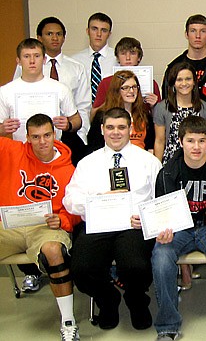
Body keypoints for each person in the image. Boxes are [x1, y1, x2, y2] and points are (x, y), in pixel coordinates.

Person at [64, 108, 161, 331]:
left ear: (130, 129)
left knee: (136, 266)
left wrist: (146, 217)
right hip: (98, 225)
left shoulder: (148, 161)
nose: (115, 133)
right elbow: (70, 199)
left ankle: (136, 301)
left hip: (133, 226)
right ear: (102, 130)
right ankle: (108, 300)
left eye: (121, 127)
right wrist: (95, 201)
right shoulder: (88, 163)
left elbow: (161, 198)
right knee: (81, 269)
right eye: (110, 127)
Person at [152, 115, 206, 341]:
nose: (196, 147)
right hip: (180, 229)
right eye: (190, 141)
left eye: (201, 141)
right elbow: (161, 211)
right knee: (161, 256)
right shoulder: (168, 172)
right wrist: (163, 230)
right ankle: (168, 326)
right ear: (180, 142)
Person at [0, 114, 81, 341]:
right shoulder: (12, 151)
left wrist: (62, 221)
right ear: (27, 137)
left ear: (54, 135)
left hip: (45, 227)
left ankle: (68, 322)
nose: (42, 142)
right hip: (8, 226)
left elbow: (76, 210)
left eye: (47, 135)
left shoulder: (69, 170)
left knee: (54, 251)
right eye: (35, 137)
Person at [13, 16, 91, 166]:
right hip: (30, 138)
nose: (55, 38)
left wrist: (81, 134)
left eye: (59, 34)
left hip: (67, 135)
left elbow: (83, 106)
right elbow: (18, 91)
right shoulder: (28, 65)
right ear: (39, 38)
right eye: (49, 34)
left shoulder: (76, 67)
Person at [0, 38, 82, 143]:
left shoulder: (60, 88)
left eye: (37, 56)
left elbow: (76, 120)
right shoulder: (5, 91)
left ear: (44, 59)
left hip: (54, 151)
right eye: (26, 56)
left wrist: (68, 125)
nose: (32, 61)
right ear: (19, 61)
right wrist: (3, 129)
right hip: (21, 151)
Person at [162, 14, 206, 105]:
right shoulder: (174, 67)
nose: (198, 36)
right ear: (186, 34)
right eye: (193, 31)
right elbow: (167, 100)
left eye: (203, 31)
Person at [154, 62, 206, 164]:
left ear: (194, 82)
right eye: (179, 80)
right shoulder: (162, 108)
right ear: (173, 83)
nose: (184, 83)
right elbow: (160, 141)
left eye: (188, 79)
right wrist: (157, 166)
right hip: (170, 163)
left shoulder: (204, 107)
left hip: (197, 163)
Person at [88, 70, 155, 152]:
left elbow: (150, 146)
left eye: (134, 87)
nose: (131, 91)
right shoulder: (103, 115)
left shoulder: (144, 114)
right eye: (125, 88)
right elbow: (94, 146)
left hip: (140, 160)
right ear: (116, 90)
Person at [92, 37, 161, 110]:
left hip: (142, 120)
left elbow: (162, 118)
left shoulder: (151, 83)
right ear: (117, 58)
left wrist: (155, 106)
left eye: (132, 53)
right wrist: (109, 102)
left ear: (139, 58)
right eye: (123, 53)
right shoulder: (106, 82)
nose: (128, 58)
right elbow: (94, 115)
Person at [71, 12, 118, 103]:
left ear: (109, 34)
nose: (99, 34)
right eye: (94, 29)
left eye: (104, 30)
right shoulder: (75, 61)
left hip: (112, 113)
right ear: (87, 31)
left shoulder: (118, 59)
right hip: (83, 114)